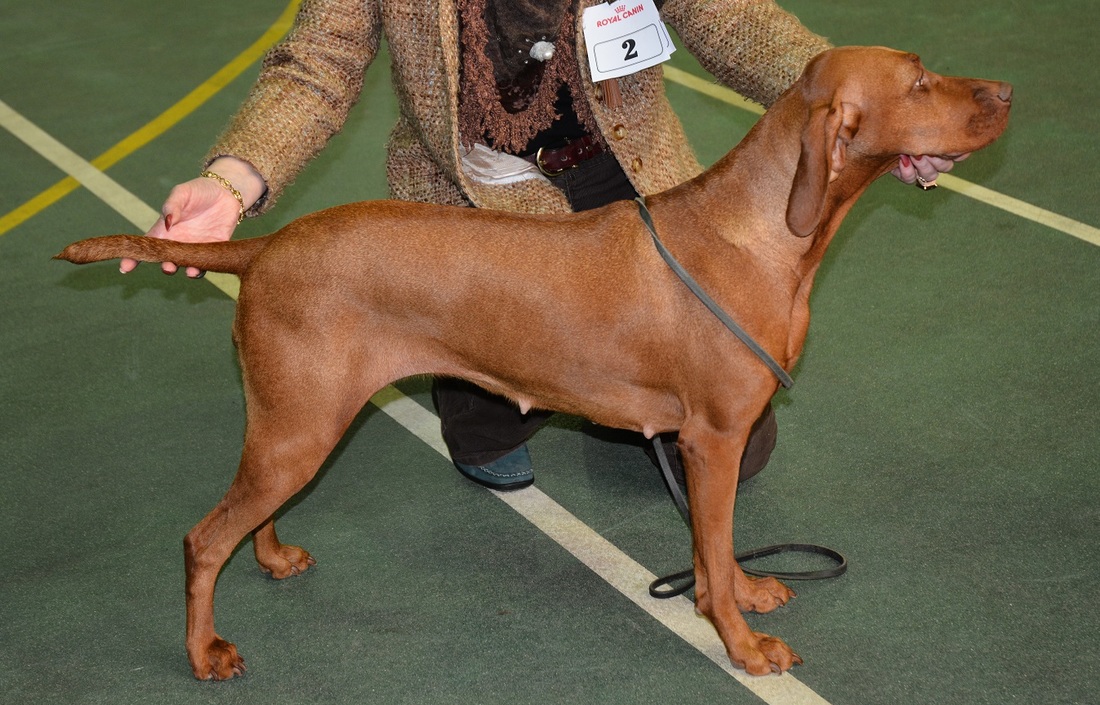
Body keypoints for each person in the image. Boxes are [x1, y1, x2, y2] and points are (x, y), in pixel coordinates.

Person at [123, 0, 961, 491]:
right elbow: (317, 64)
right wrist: (233, 181)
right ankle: (490, 395)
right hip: (478, 203)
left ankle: (618, 387)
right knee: (492, 429)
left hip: (622, 178)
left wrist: (875, 114)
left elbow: (735, 20)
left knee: (737, 448)